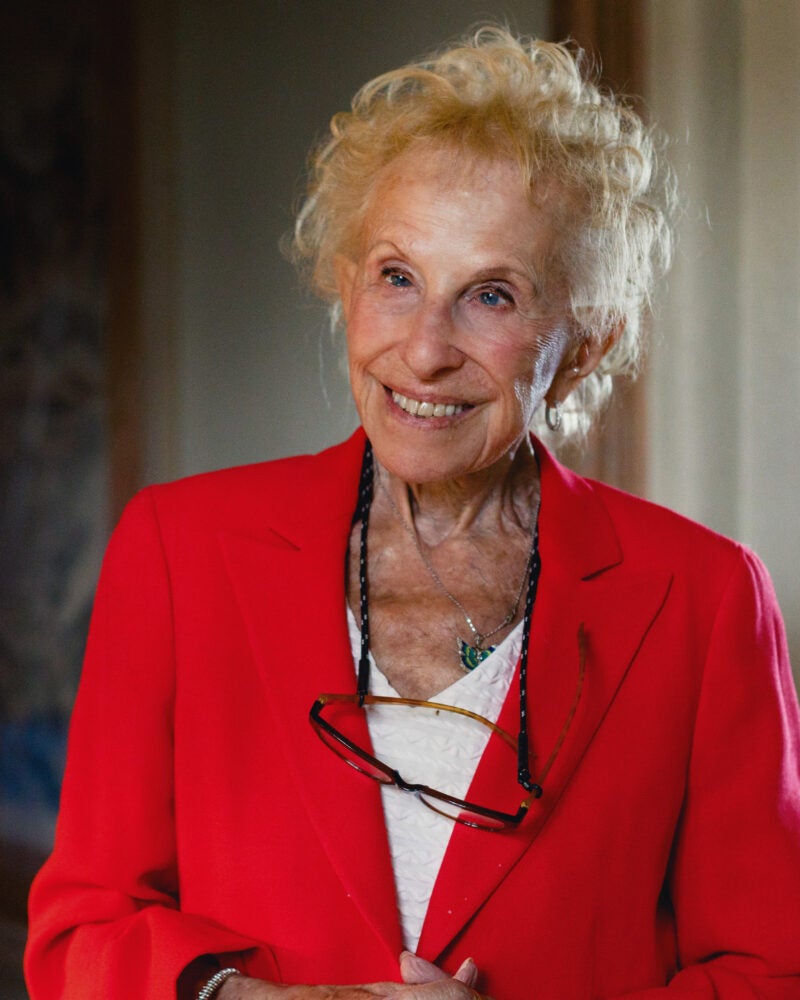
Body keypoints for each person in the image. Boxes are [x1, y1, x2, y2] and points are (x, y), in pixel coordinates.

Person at [25, 26, 800, 1000]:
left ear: (584, 340)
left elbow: (770, 972)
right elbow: (80, 930)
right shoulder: (179, 548)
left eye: (490, 294)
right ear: (344, 283)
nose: (424, 349)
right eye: (396, 276)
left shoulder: (703, 595)